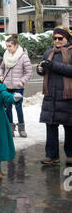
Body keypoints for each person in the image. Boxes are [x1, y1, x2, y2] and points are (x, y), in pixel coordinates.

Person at [37, 25, 72, 166]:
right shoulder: (48, 52)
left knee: (69, 127)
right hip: (50, 96)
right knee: (50, 126)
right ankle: (51, 155)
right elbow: (43, 68)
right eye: (55, 38)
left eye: (60, 38)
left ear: (67, 38)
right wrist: (40, 69)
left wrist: (51, 66)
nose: (57, 41)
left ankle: (70, 154)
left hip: (67, 97)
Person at [0, 34, 32, 138]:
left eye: (10, 46)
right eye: (7, 46)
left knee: (18, 108)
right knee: (8, 108)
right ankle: (11, 129)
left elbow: (29, 73)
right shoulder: (6, 56)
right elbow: (2, 68)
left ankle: (22, 129)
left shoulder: (23, 57)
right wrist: (1, 76)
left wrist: (21, 82)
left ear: (16, 45)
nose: (8, 48)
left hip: (18, 87)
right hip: (7, 86)